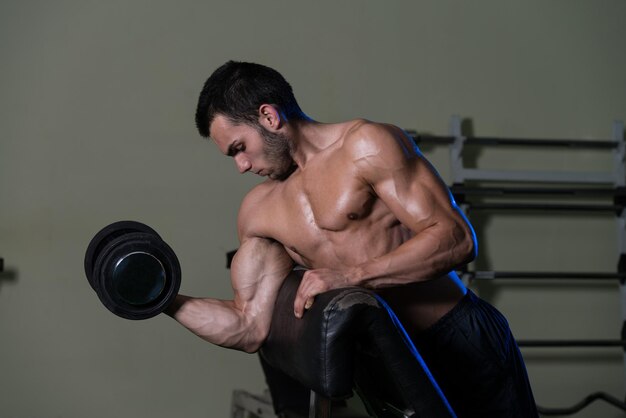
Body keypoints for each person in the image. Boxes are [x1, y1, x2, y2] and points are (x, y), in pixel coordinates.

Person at [166, 61, 537, 417]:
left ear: (269, 117)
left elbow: (457, 240)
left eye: (239, 147)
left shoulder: (366, 145)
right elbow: (248, 327)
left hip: (456, 337)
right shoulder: (258, 210)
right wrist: (161, 298)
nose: (241, 165)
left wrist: (351, 277)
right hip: (386, 364)